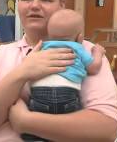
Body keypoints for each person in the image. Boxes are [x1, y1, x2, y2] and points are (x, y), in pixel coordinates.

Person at [0, 0, 117, 142]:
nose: (34, 5)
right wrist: (22, 73)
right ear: (18, 4)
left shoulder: (86, 51)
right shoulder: (1, 54)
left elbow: (106, 129)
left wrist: (27, 122)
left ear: (62, 5)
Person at [21, 9, 106, 141]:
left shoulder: (42, 46)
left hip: (39, 95)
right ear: (80, 37)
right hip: (67, 95)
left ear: (49, 34)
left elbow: (28, 64)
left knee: (33, 130)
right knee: (74, 126)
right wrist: (98, 52)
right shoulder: (77, 47)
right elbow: (93, 68)